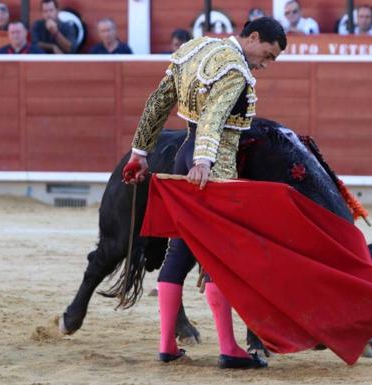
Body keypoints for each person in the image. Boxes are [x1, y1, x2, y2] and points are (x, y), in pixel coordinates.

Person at [123, 17, 286, 369]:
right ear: (253, 37)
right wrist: (206, 161)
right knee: (220, 259)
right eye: (267, 55)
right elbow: (213, 117)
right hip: (213, 169)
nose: (264, 64)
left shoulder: (194, 48)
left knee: (179, 252)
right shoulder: (234, 69)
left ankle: (167, 345)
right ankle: (229, 349)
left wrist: (140, 153)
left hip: (184, 155)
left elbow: (160, 100)